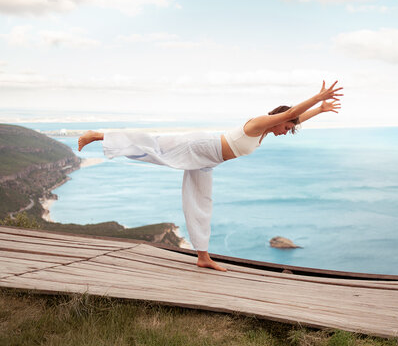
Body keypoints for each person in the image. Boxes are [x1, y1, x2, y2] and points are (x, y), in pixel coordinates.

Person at [78, 80, 343, 271]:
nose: (287, 131)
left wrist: (318, 111)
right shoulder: (260, 122)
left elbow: (294, 118)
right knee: (156, 144)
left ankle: (202, 256)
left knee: (201, 202)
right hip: (200, 146)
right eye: (286, 127)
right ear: (278, 119)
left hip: (207, 161)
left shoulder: (267, 132)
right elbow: (290, 114)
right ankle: (98, 134)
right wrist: (317, 98)